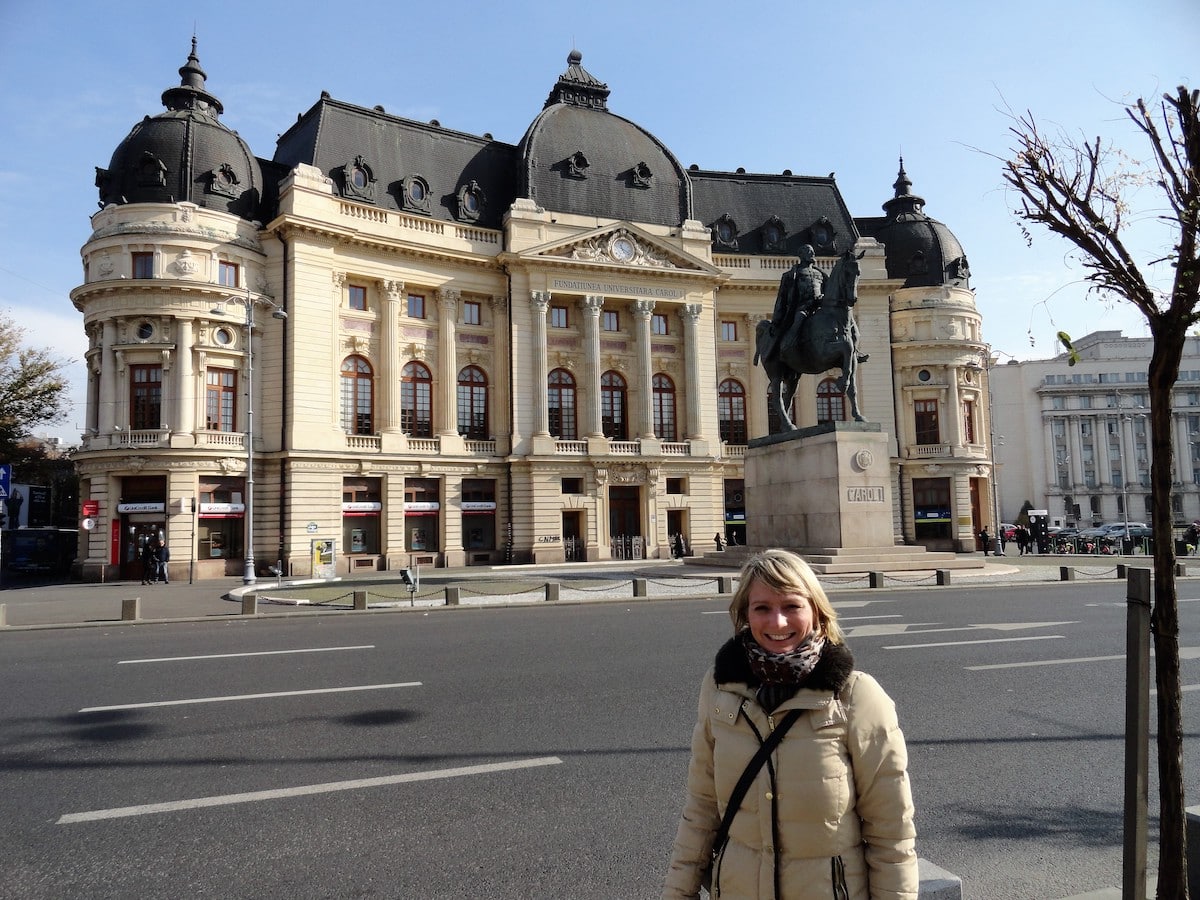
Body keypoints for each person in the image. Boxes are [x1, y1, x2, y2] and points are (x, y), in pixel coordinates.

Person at [663, 549, 918, 900]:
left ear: (817, 611)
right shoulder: (719, 688)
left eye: (792, 606)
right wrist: (677, 893)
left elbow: (891, 833)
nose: (778, 622)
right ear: (745, 614)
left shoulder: (856, 697)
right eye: (762, 608)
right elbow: (701, 809)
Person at [762, 244, 826, 365]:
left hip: (819, 308)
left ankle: (852, 348)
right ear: (801, 255)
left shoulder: (820, 274)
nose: (812, 254)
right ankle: (787, 346)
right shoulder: (791, 275)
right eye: (809, 252)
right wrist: (776, 321)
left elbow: (828, 291)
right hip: (802, 308)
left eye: (812, 251)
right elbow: (782, 299)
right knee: (798, 322)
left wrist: (823, 298)